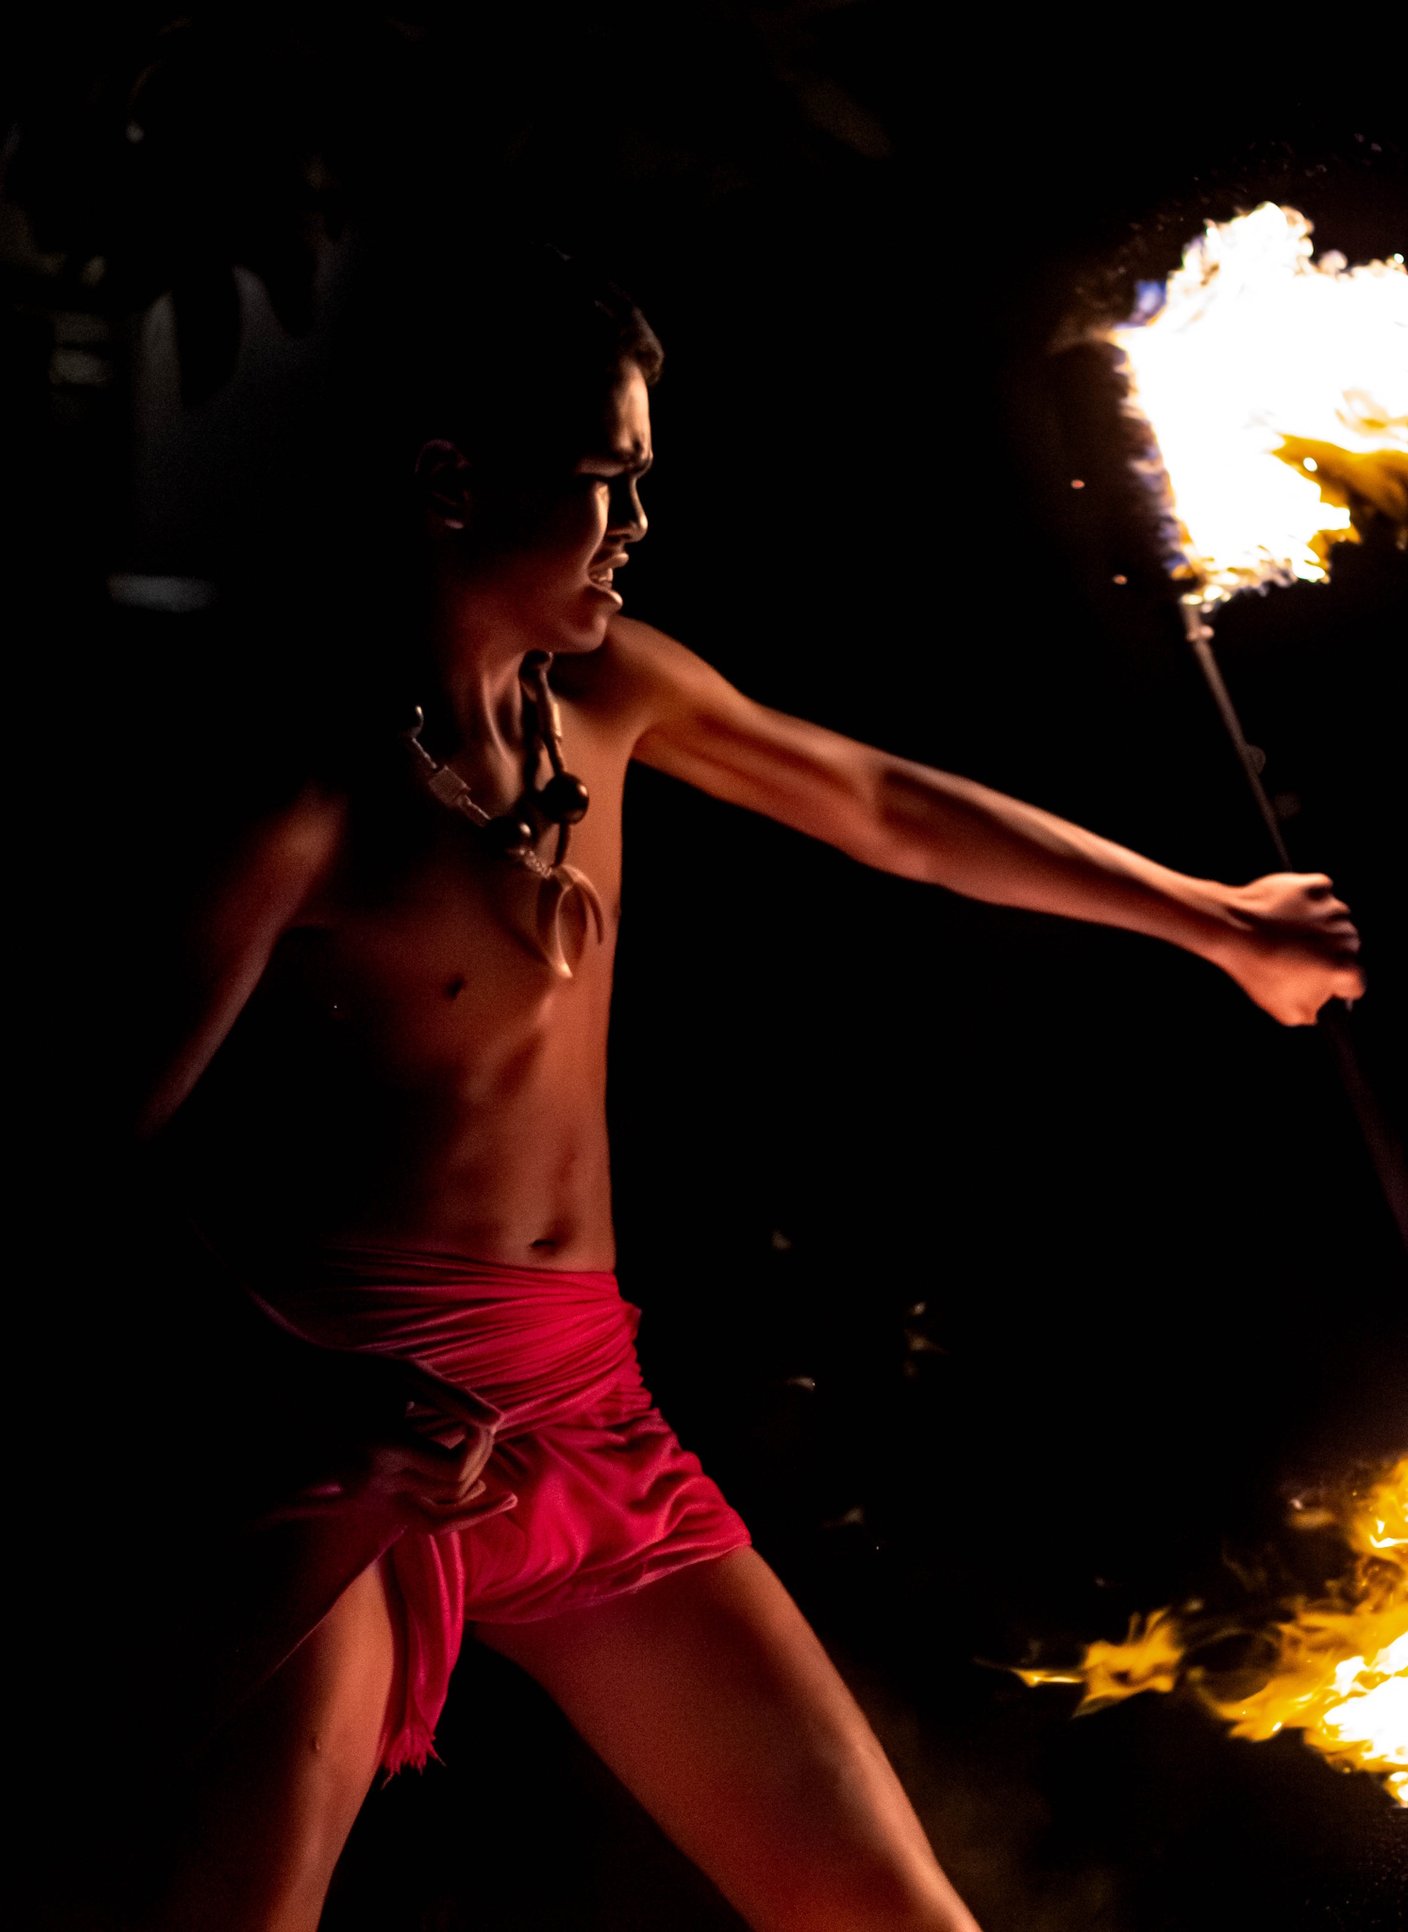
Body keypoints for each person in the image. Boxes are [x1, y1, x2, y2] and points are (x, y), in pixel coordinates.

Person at [135, 239, 1362, 1932]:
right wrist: (293, 1390)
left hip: (592, 1418)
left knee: (890, 1914)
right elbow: (63, 1159)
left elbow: (879, 802)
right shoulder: (311, 791)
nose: (639, 525)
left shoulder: (611, 692)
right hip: (370, 1427)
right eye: (607, 482)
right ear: (448, 485)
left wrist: (1214, 923)